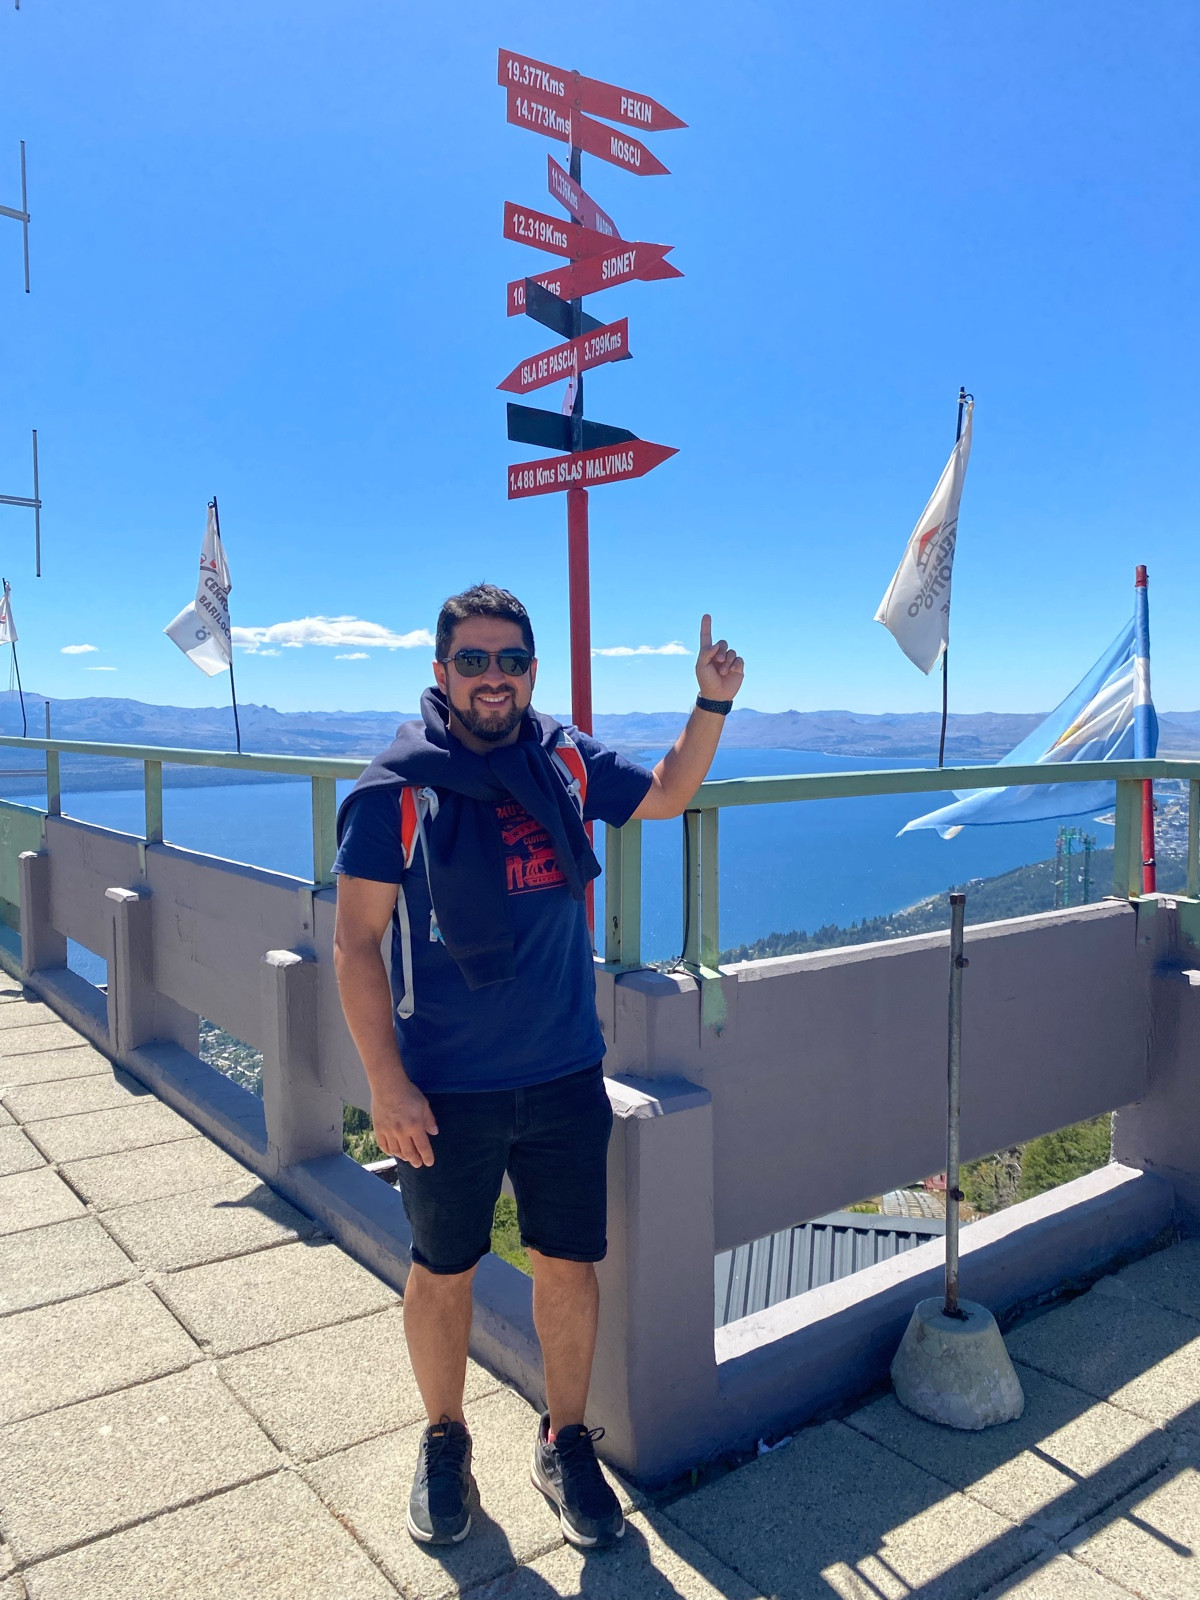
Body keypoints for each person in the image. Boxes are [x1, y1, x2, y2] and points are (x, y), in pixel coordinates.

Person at [332, 583, 744, 1550]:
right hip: (445, 1088)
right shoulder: (395, 791)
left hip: (564, 1072)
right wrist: (387, 1086)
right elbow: (355, 945)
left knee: (568, 1266)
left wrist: (711, 702)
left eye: (510, 661)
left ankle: (564, 1441)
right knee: (443, 1270)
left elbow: (668, 794)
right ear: (442, 671)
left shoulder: (562, 758)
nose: (493, 678)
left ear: (530, 672)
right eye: (473, 661)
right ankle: (444, 1439)